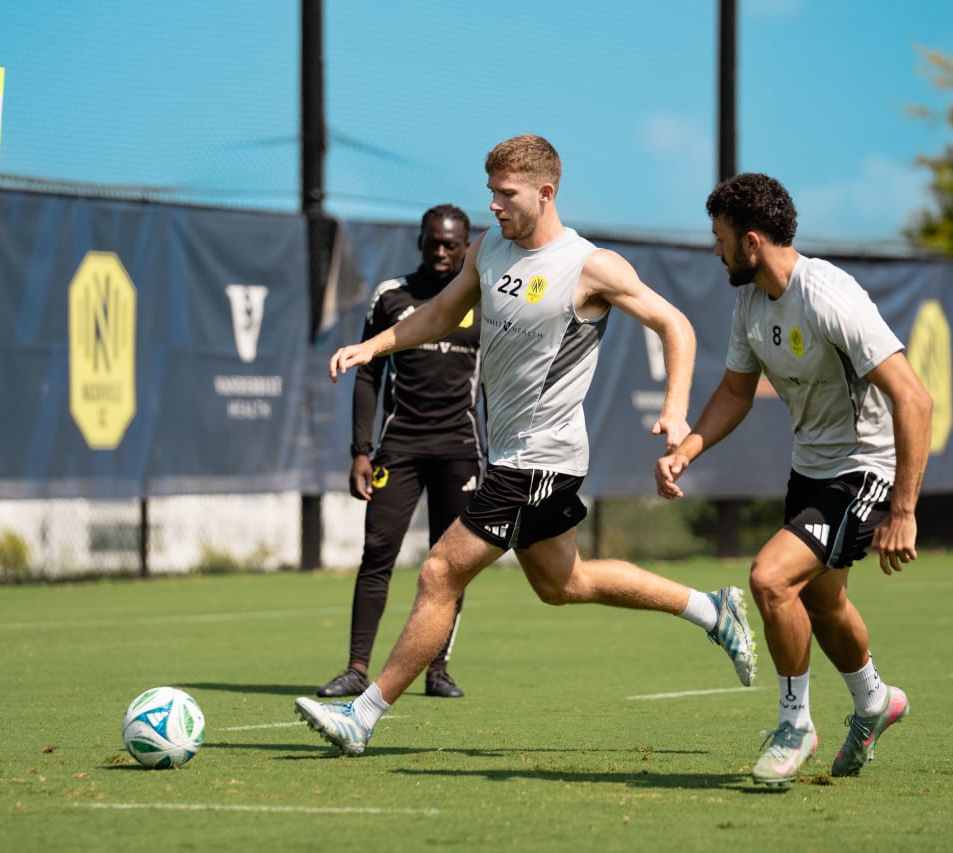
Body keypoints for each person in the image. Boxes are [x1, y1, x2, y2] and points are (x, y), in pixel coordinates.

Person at [295, 133, 756, 756]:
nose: (494, 205)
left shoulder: (591, 266)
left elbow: (676, 324)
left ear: (546, 191)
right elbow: (438, 315)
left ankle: (364, 715)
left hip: (539, 459)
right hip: (516, 457)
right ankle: (712, 610)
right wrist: (371, 347)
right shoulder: (487, 251)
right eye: (490, 192)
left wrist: (676, 411)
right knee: (563, 584)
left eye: (505, 193)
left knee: (438, 572)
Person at [655, 173, 933, 786]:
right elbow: (734, 392)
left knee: (769, 578)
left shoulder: (830, 296)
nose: (716, 250)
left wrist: (904, 509)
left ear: (751, 242)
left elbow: (914, 399)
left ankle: (794, 723)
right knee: (822, 602)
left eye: (720, 238)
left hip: (863, 468)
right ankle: (874, 700)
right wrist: (689, 450)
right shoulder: (750, 302)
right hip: (810, 470)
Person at [316, 204, 482, 701]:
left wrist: (497, 454)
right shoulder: (392, 296)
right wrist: (359, 452)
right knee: (377, 555)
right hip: (400, 447)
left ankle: (437, 669)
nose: (440, 252)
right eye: (432, 242)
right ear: (420, 241)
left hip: (460, 449)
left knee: (451, 564)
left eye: (451, 245)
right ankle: (355, 668)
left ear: (466, 247)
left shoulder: (487, 301)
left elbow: (501, 379)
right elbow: (368, 372)